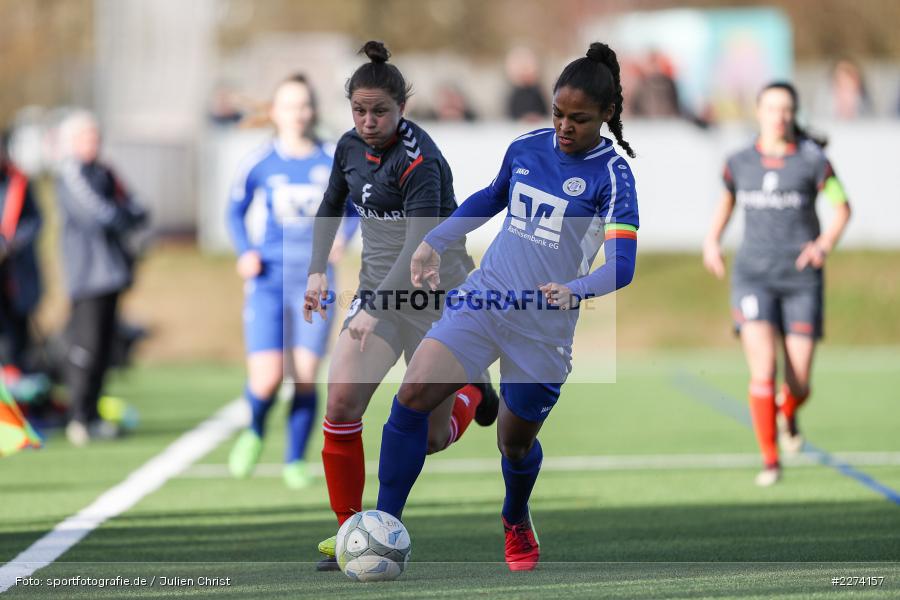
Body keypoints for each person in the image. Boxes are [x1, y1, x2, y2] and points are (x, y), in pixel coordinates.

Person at [372, 42, 639, 571]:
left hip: (543, 327)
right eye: (559, 113)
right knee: (410, 402)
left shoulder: (613, 175)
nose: (564, 127)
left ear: (607, 115)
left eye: (579, 119)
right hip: (485, 298)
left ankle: (515, 514)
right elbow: (489, 197)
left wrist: (577, 289)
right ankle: (383, 529)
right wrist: (436, 240)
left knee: (513, 447)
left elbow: (623, 264)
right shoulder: (527, 147)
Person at [303, 41, 499, 571]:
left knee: (431, 437)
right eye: (359, 110)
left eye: (380, 111)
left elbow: (418, 248)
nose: (368, 121)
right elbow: (329, 207)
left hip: (437, 300)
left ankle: (470, 393)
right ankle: (350, 532)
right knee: (341, 404)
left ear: (402, 108)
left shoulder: (421, 162)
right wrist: (318, 269)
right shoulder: (347, 148)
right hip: (380, 295)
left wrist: (369, 306)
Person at [703, 82, 852, 487]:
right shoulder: (739, 161)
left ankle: (789, 412)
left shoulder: (814, 161)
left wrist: (823, 244)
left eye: (786, 109)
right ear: (758, 111)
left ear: (794, 114)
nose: (779, 116)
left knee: (800, 382)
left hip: (802, 280)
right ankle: (770, 460)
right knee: (763, 370)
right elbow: (728, 199)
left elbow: (842, 207)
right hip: (753, 277)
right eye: (772, 108)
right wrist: (712, 240)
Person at [226, 74, 358, 490]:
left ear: (313, 111)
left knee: (304, 374)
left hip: (315, 282)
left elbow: (355, 206)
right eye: (289, 105)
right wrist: (245, 250)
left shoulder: (332, 158)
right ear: (275, 113)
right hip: (268, 279)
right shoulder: (260, 161)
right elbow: (234, 211)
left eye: (305, 105)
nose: (298, 113)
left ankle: (294, 460)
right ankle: (255, 430)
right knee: (266, 378)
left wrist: (343, 237)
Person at [55, 110, 149, 446]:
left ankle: (93, 415)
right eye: (86, 137)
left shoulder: (106, 171)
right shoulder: (71, 172)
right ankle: (78, 416)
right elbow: (97, 213)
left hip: (112, 274)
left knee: (105, 347)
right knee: (86, 347)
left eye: (95, 136)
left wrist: (126, 216)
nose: (93, 143)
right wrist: (124, 217)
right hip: (86, 275)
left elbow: (137, 206)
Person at [0, 129, 42, 373]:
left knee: (17, 333)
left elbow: (35, 221)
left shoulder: (19, 181)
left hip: (14, 272)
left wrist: (9, 245)